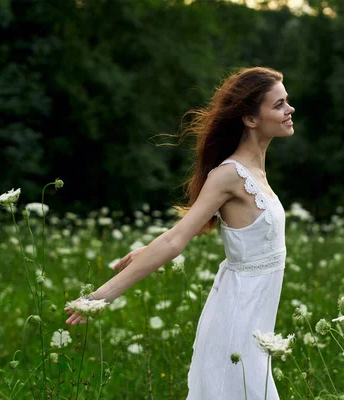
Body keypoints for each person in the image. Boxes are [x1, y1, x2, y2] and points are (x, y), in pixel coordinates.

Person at [65, 66, 294, 399]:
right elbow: (176, 240)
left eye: (287, 101)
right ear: (250, 119)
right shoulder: (230, 174)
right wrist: (101, 297)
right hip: (237, 317)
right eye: (279, 104)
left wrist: (146, 250)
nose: (290, 109)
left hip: (256, 320)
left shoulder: (256, 170)